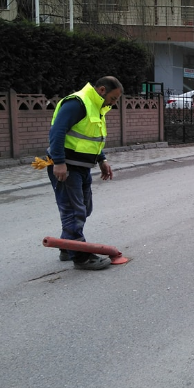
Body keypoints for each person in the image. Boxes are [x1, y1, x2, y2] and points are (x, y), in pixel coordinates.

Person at [47, 76, 124, 270]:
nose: (114, 104)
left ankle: (67, 246)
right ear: (102, 90)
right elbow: (57, 132)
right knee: (74, 211)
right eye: (113, 99)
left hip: (81, 166)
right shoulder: (77, 103)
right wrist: (58, 162)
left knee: (84, 208)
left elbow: (92, 137)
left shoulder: (96, 107)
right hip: (67, 166)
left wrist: (102, 159)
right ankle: (81, 257)